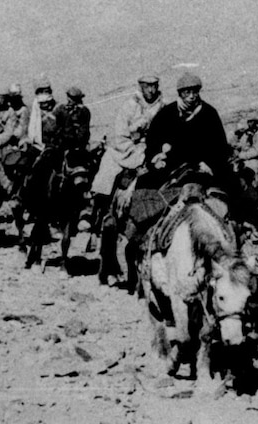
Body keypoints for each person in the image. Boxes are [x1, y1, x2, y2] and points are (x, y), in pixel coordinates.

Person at [121, 72, 234, 293]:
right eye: (186, 92)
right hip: (171, 170)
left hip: (202, 170)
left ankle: (236, 240)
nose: (191, 96)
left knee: (230, 192)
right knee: (144, 191)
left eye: (194, 92)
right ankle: (141, 240)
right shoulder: (166, 114)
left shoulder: (209, 114)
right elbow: (153, 142)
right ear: (180, 93)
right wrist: (156, 157)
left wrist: (211, 163)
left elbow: (220, 147)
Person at [93, 75, 166, 286]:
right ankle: (102, 210)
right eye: (147, 86)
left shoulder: (163, 107)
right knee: (108, 171)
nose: (151, 90)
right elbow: (119, 134)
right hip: (127, 150)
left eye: (154, 86)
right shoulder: (128, 106)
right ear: (141, 87)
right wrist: (133, 149)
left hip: (153, 151)